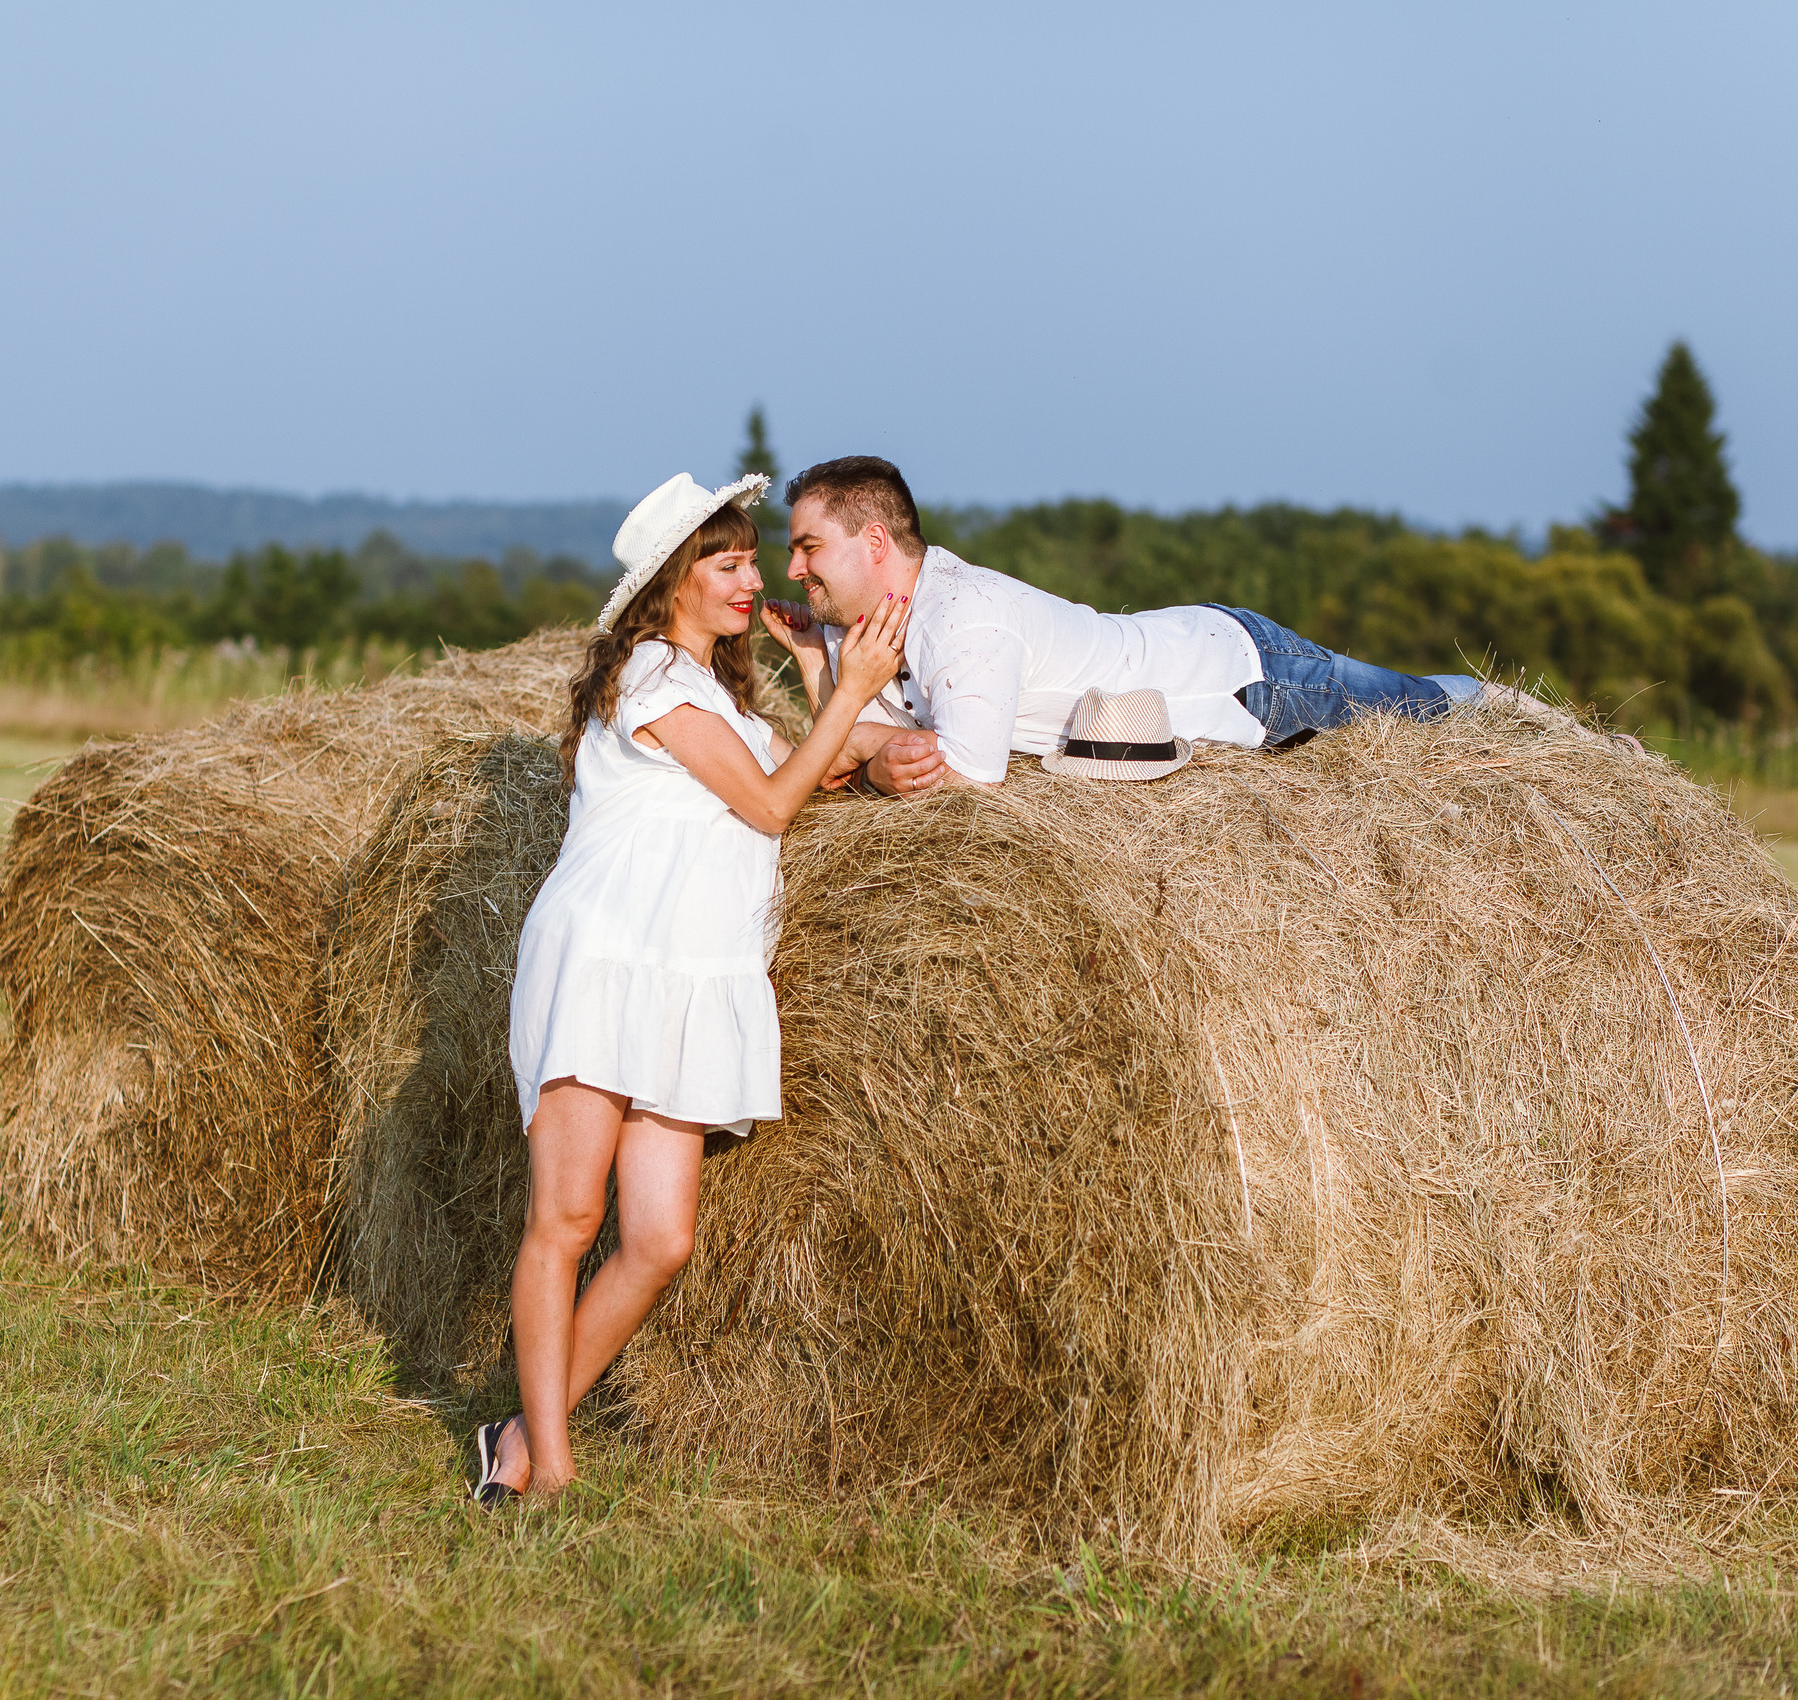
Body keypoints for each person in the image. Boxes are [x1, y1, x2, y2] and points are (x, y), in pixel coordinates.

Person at [471, 470, 912, 1504]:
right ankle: (549, 1470)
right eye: (727, 562)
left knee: (660, 1238)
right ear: (674, 581)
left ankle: (516, 1433)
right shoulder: (652, 681)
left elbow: (822, 763)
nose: (749, 579)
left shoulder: (718, 695)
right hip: (606, 960)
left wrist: (874, 716)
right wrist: (844, 696)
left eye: (751, 557)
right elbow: (769, 804)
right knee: (566, 1224)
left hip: (683, 976)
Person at [762, 455, 1587, 796]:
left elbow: (963, 773)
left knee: (1409, 703)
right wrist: (815, 669)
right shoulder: (856, 627)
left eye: (808, 547)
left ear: (874, 541)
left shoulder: (962, 619)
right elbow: (850, 752)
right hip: (1183, 660)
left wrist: (867, 756)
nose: (794, 570)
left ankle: (1533, 715)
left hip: (1235, 674)